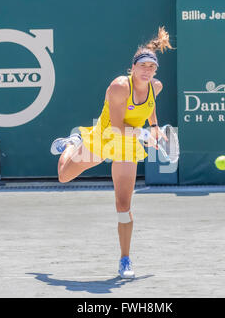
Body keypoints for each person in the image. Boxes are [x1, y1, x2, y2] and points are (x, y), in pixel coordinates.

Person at [50, 26, 173, 279]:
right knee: (63, 176)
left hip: (128, 145)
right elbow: (117, 128)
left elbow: (149, 106)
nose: (148, 71)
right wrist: (143, 135)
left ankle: (125, 259)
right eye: (143, 67)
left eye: (152, 68)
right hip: (104, 137)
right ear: (133, 68)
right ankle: (72, 143)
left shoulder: (155, 87)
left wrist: (154, 126)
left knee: (123, 205)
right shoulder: (119, 87)